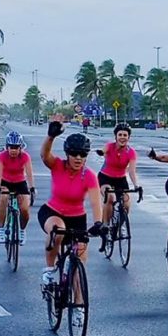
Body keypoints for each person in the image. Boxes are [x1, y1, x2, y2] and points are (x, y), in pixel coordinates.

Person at [39, 121, 104, 285]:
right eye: (74, 154)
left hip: (77, 219)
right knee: (57, 231)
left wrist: (98, 222)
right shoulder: (57, 165)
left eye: (83, 154)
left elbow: (96, 202)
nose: (78, 158)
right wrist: (50, 137)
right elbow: (44, 155)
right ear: (67, 154)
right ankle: (49, 270)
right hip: (53, 212)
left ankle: (78, 301)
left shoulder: (89, 175)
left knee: (79, 268)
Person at [96, 123, 141, 252]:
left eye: (125, 135)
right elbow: (103, 150)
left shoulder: (131, 152)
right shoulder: (110, 146)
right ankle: (105, 225)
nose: (122, 137)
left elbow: (131, 171)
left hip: (120, 179)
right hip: (105, 177)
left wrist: (136, 185)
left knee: (126, 204)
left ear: (129, 137)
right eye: (120, 135)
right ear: (115, 136)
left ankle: (119, 225)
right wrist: (101, 152)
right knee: (110, 197)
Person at [0, 131, 35, 245]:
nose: (13, 150)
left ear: (20, 148)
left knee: (25, 209)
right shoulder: (2, 156)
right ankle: (1, 229)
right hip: (5, 182)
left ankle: (22, 230)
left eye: (16, 147)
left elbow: (29, 173)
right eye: (11, 147)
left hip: (20, 182)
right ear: (7, 147)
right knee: (3, 199)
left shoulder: (25, 157)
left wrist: (32, 188)